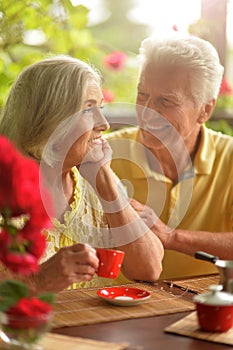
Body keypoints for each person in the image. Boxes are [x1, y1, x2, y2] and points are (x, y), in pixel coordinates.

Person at [0, 55, 164, 292]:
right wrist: (38, 280)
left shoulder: (91, 178)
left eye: (101, 108)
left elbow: (149, 268)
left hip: (87, 326)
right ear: (48, 120)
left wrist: (104, 176)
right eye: (88, 110)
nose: (104, 124)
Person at [105, 34, 233, 279]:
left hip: (200, 308)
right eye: (142, 96)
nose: (147, 112)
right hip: (114, 307)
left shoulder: (230, 157)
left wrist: (172, 237)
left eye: (166, 101)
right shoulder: (104, 156)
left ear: (205, 110)